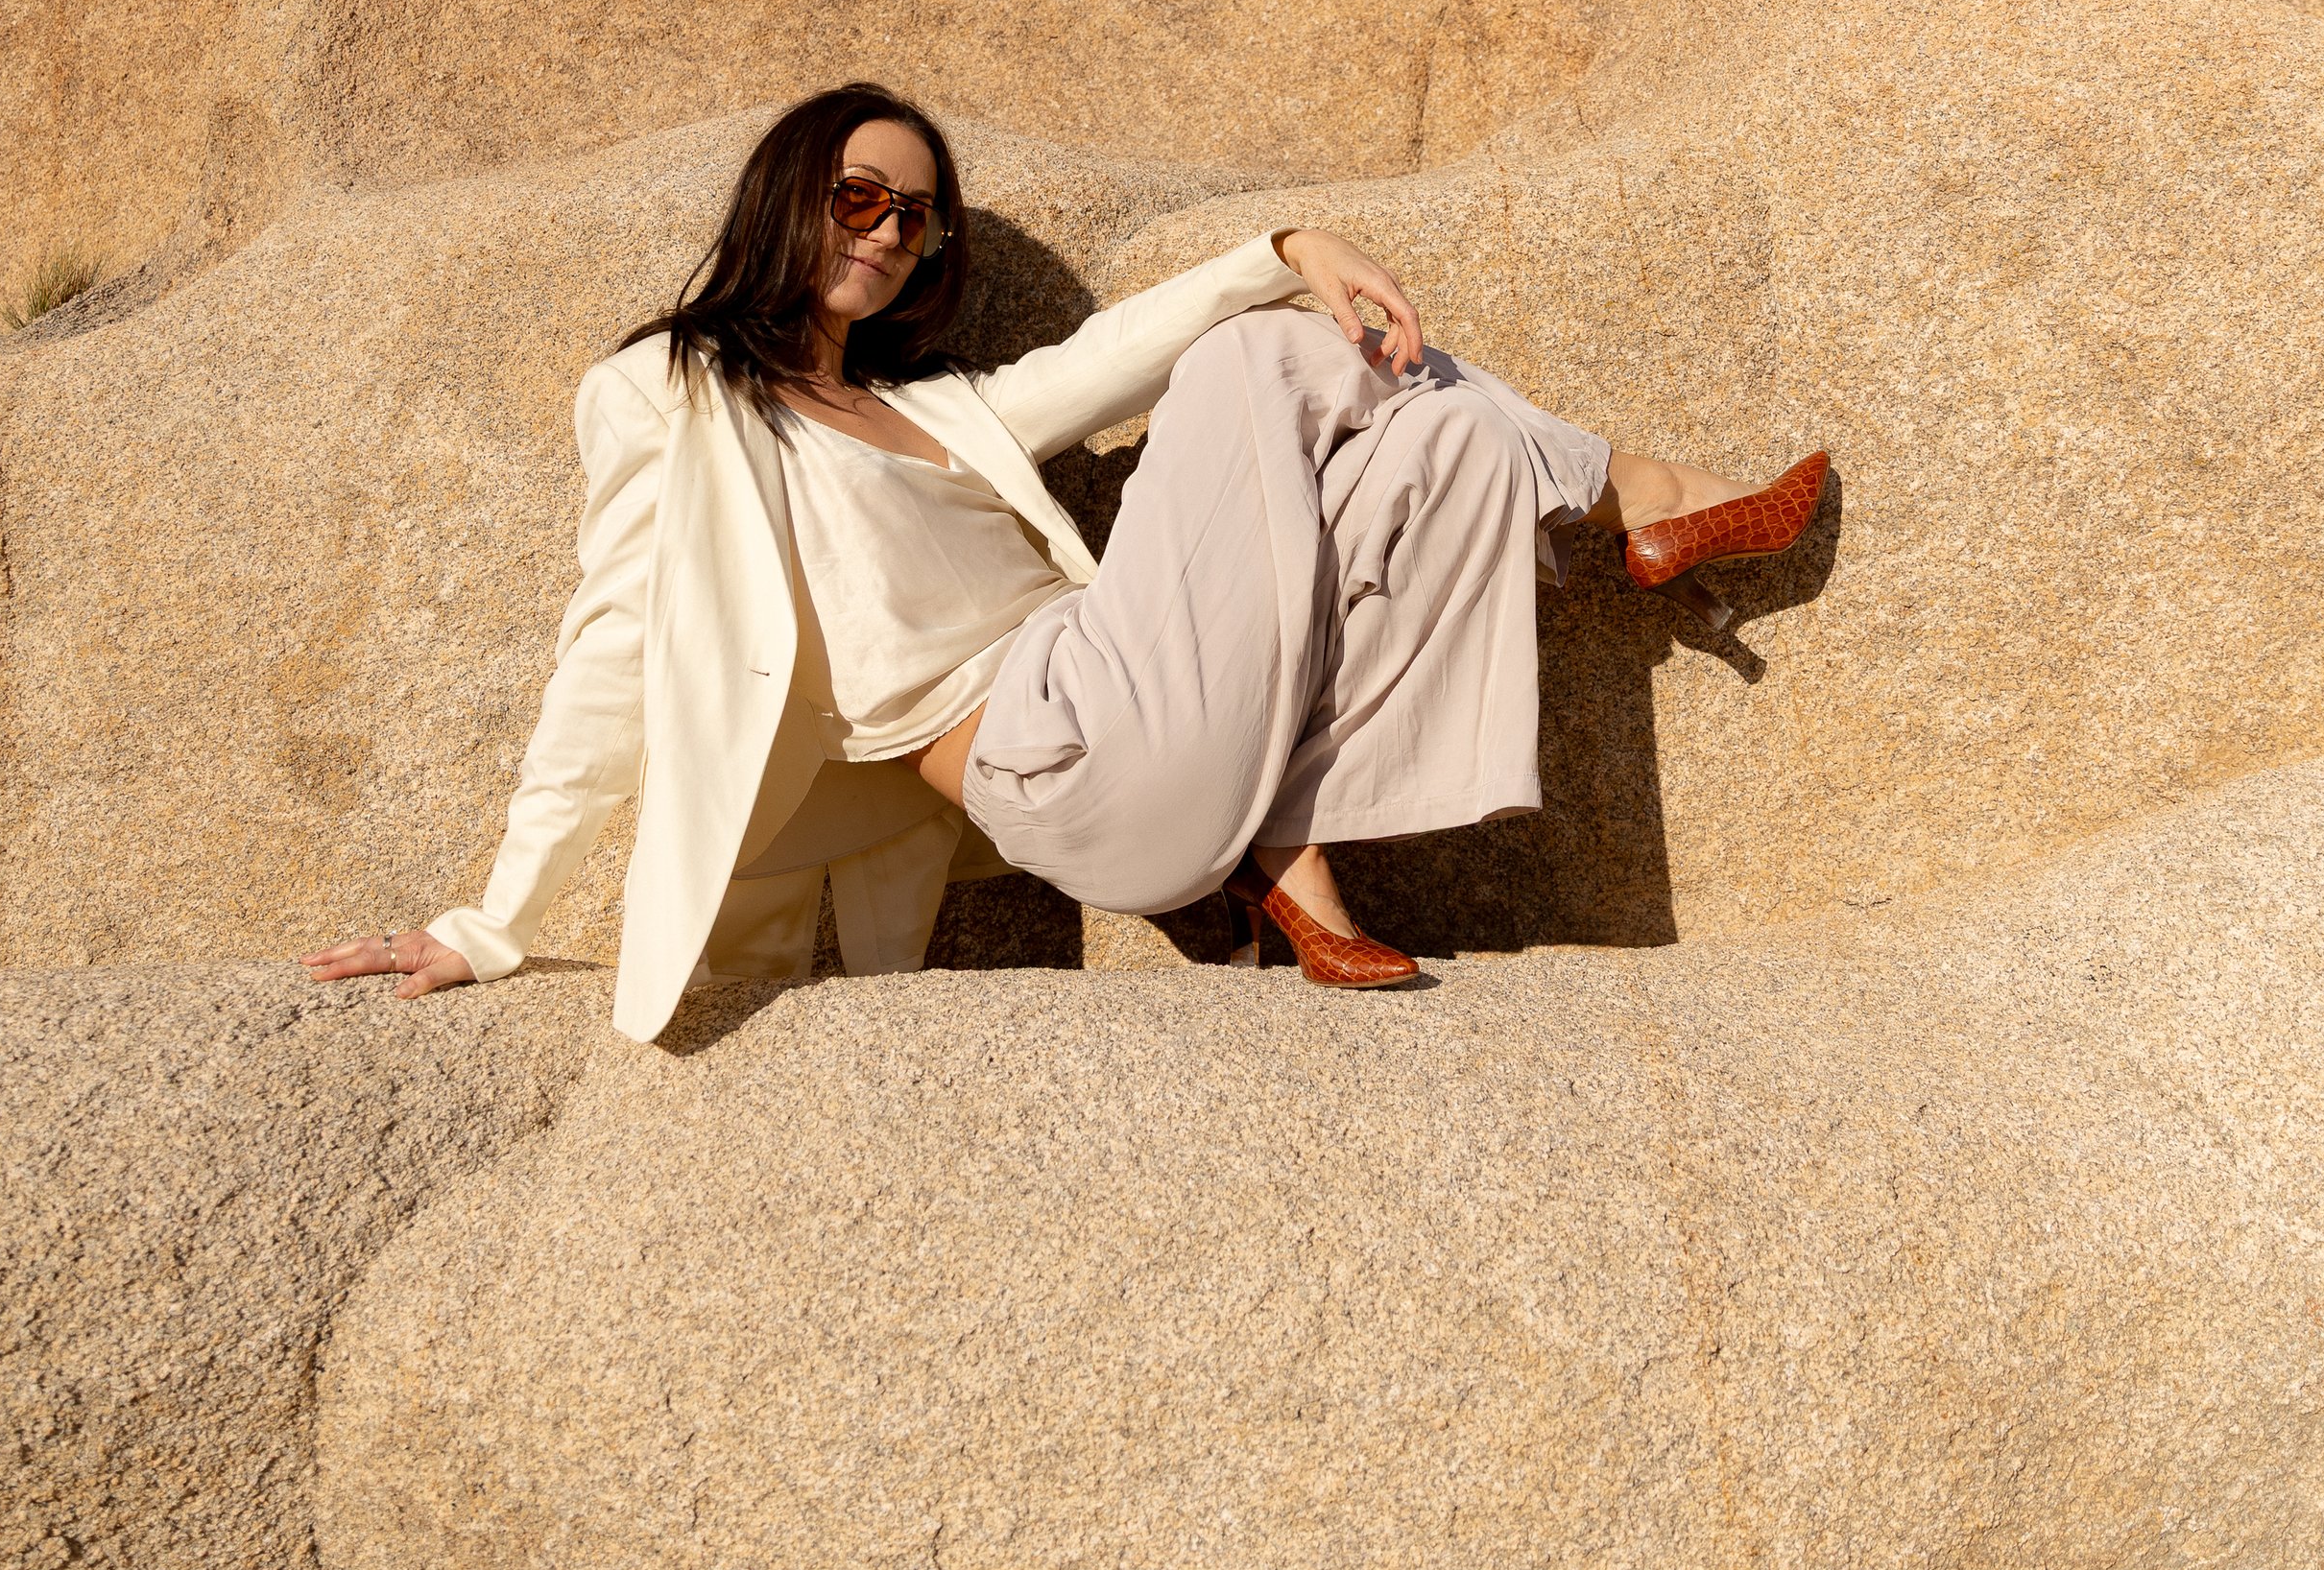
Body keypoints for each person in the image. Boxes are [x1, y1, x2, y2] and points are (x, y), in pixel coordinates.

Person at [306, 83, 1825, 1034]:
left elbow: (1101, 361)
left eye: (917, 215)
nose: (891, 232)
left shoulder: (937, 411)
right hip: (1049, 757)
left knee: (1449, 453)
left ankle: (1291, 859)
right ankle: (1643, 494)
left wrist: (1295, 241)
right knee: (1249, 363)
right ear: (785, 196)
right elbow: (607, 659)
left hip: (1148, 718)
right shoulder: (668, 397)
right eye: (858, 196)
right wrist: (485, 922)